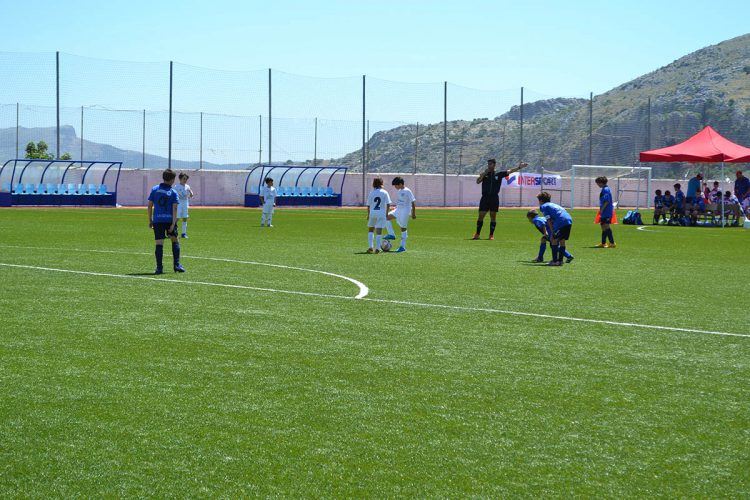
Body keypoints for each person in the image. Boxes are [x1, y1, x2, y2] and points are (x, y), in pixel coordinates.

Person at [472, 159, 528, 240]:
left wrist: (519, 167)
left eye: (490, 164)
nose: (489, 165)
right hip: (485, 198)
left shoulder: (499, 174)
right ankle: (477, 234)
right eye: (488, 164)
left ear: (494, 165)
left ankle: (491, 235)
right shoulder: (485, 174)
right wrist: (484, 173)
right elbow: (478, 181)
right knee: (481, 216)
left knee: (493, 216)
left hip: (494, 198)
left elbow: (510, 171)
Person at [147, 168, 184, 274]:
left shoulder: (155, 189)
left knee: (159, 243)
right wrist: (173, 223)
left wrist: (150, 220)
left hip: (157, 220)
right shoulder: (173, 192)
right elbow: (175, 208)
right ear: (172, 179)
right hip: (169, 220)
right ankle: (176, 265)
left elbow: (150, 206)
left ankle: (159, 268)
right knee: (175, 240)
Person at [537, 192, 573, 266]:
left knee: (553, 240)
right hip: (568, 220)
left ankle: (554, 261)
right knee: (562, 241)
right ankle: (560, 261)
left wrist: (552, 231)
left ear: (540, 200)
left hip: (560, 222)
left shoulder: (543, 206)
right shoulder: (554, 205)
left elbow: (548, 219)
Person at [384, 176, 416, 253]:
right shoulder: (399, 191)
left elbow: (413, 202)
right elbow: (400, 201)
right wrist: (396, 207)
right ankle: (391, 234)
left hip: (405, 211)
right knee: (385, 217)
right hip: (398, 210)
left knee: (403, 228)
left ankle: (402, 246)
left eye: (396, 185)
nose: (395, 187)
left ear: (401, 184)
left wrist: (413, 213)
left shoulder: (408, 191)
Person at [366, 177, 392, 254]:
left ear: (373, 184)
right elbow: (388, 204)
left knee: (371, 229)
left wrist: (368, 214)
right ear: (382, 183)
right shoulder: (385, 192)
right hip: (381, 212)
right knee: (379, 231)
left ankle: (370, 247)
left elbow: (368, 205)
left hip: (373, 212)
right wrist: (387, 213)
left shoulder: (371, 193)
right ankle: (377, 248)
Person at [595, 176, 615, 248]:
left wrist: (601, 210)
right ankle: (603, 243)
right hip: (604, 211)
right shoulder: (604, 189)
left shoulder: (606, 190)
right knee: (603, 226)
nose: (597, 185)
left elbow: (606, 201)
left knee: (606, 226)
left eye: (597, 183)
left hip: (607, 211)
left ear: (601, 183)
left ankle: (612, 243)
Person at [173, 172, 194, 238]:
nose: (185, 180)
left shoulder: (187, 186)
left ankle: (183, 233)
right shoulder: (176, 187)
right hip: (179, 204)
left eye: (186, 179)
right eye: (184, 179)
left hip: (185, 203)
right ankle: (171, 231)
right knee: (177, 218)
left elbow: (190, 192)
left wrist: (191, 193)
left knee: (185, 218)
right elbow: (174, 195)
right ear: (180, 179)